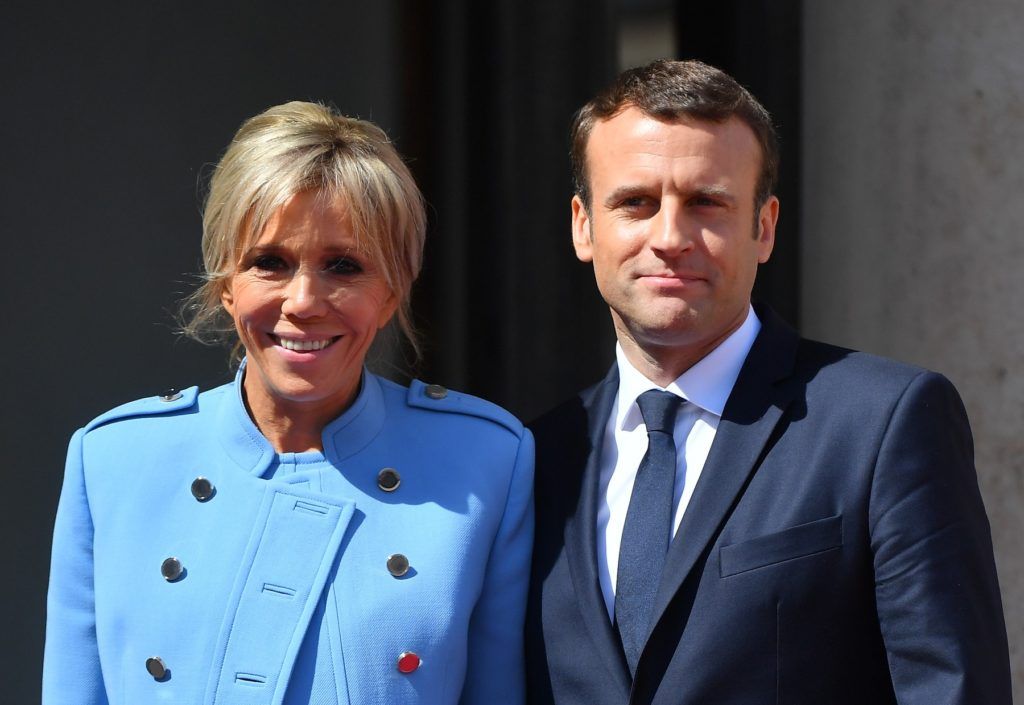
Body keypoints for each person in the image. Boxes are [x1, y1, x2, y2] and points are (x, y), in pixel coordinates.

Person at [525, 59, 1011, 705]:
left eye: (706, 202)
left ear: (764, 227)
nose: (669, 237)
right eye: (635, 203)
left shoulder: (880, 422)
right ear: (584, 226)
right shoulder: (536, 458)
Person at [43, 101, 533, 705]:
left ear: (391, 293)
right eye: (268, 263)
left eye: (343, 266)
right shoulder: (115, 459)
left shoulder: (484, 461)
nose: (302, 302)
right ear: (226, 284)